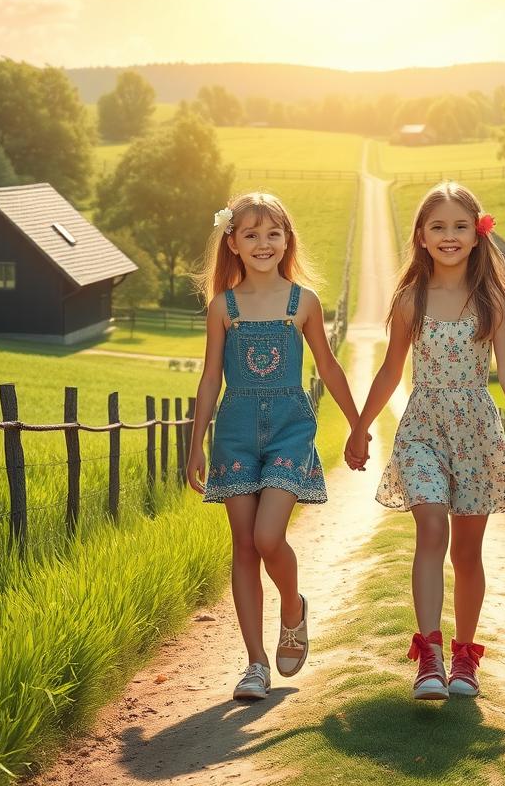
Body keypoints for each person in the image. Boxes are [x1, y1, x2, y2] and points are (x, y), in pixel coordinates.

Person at [345, 182, 505, 700]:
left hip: (477, 431)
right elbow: (392, 369)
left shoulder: (493, 300)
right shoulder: (411, 299)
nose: (450, 235)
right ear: (421, 236)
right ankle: (429, 656)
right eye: (438, 226)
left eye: (460, 226)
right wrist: (362, 425)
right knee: (431, 525)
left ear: (478, 235)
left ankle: (464, 656)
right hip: (423, 427)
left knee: (468, 552)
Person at [187, 192, 360, 702]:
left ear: (287, 240)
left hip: (289, 427)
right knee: (242, 545)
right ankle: (256, 663)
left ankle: (292, 606)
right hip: (235, 430)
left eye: (273, 234)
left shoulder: (302, 302)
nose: (264, 243)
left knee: (267, 537)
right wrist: (196, 444)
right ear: (233, 244)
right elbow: (210, 377)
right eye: (251, 235)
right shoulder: (223, 307)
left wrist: (355, 424)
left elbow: (327, 367)